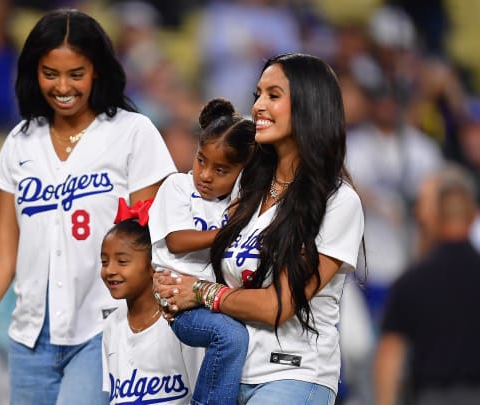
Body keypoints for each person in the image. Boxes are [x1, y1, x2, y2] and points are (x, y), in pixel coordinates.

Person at [0, 8, 176, 405]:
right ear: (34, 73)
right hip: (29, 339)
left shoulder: (133, 133)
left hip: (105, 328)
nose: (63, 86)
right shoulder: (20, 142)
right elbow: (2, 255)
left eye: (76, 73)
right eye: (51, 73)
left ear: (97, 71)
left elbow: (149, 243)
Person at [154, 53, 365, 404]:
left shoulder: (337, 201)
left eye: (273, 95)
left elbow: (277, 306)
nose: (258, 107)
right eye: (258, 95)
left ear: (308, 106)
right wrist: (170, 284)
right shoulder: (246, 189)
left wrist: (201, 292)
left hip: (294, 376)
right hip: (232, 374)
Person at [373, 165, 480, 405]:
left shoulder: (412, 282)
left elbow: (389, 354)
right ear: (473, 215)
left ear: (436, 217)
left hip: (431, 397)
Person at [149, 97, 254, 404]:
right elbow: (176, 241)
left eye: (221, 169)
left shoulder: (243, 202)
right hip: (181, 302)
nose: (205, 175)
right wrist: (226, 232)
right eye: (201, 160)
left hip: (217, 300)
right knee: (231, 337)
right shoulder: (178, 187)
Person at [101, 199, 203, 404]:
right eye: (104, 262)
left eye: (122, 261)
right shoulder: (112, 324)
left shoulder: (182, 321)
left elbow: (201, 394)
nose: (110, 270)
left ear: (153, 265)